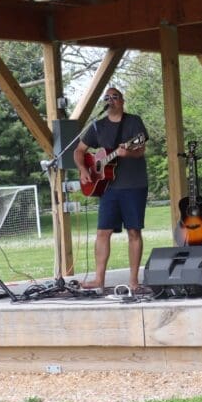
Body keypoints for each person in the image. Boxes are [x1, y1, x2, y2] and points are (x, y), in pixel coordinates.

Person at [74, 87, 148, 292]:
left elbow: (140, 149)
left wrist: (128, 153)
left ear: (122, 101)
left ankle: (133, 282)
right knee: (102, 232)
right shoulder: (97, 126)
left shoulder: (133, 122)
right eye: (107, 98)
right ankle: (99, 279)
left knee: (133, 231)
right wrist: (83, 170)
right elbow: (79, 151)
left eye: (115, 97)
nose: (111, 100)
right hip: (108, 187)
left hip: (134, 184)